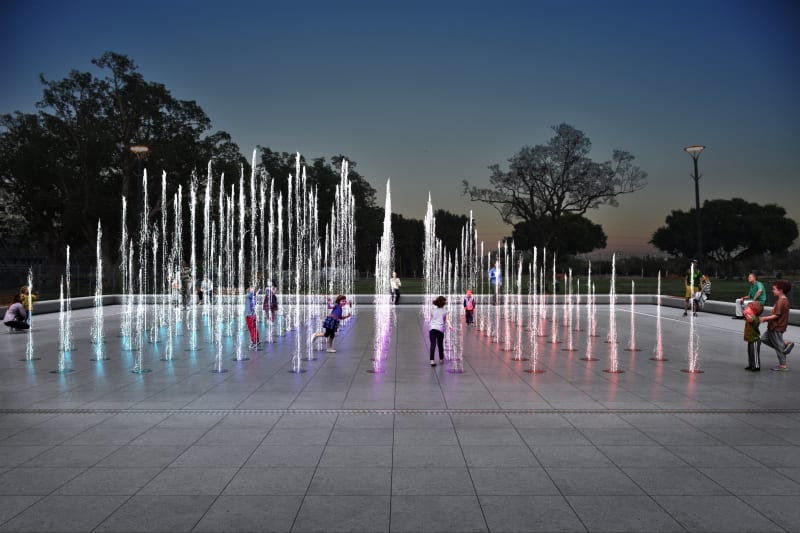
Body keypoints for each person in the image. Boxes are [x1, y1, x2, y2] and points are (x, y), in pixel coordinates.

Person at [760, 279, 794, 372]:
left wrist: (764, 318)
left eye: (774, 289)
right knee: (764, 339)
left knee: (778, 347)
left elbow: (776, 315)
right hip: (773, 327)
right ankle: (784, 345)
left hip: (776, 327)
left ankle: (783, 365)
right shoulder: (782, 300)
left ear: (781, 290)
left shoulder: (781, 301)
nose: (772, 291)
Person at [429, 295, 452, 366]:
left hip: (432, 329)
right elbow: (447, 320)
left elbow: (432, 319)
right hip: (440, 329)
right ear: (443, 303)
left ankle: (432, 360)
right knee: (440, 345)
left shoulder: (432, 310)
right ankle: (441, 358)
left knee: (433, 345)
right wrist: (450, 326)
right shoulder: (445, 311)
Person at [743, 301, 764, 371]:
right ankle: (751, 364)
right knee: (750, 352)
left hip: (755, 339)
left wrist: (746, 312)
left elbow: (749, 319)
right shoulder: (752, 317)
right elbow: (747, 318)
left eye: (750, 307)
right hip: (751, 338)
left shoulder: (755, 318)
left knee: (754, 353)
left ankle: (756, 366)